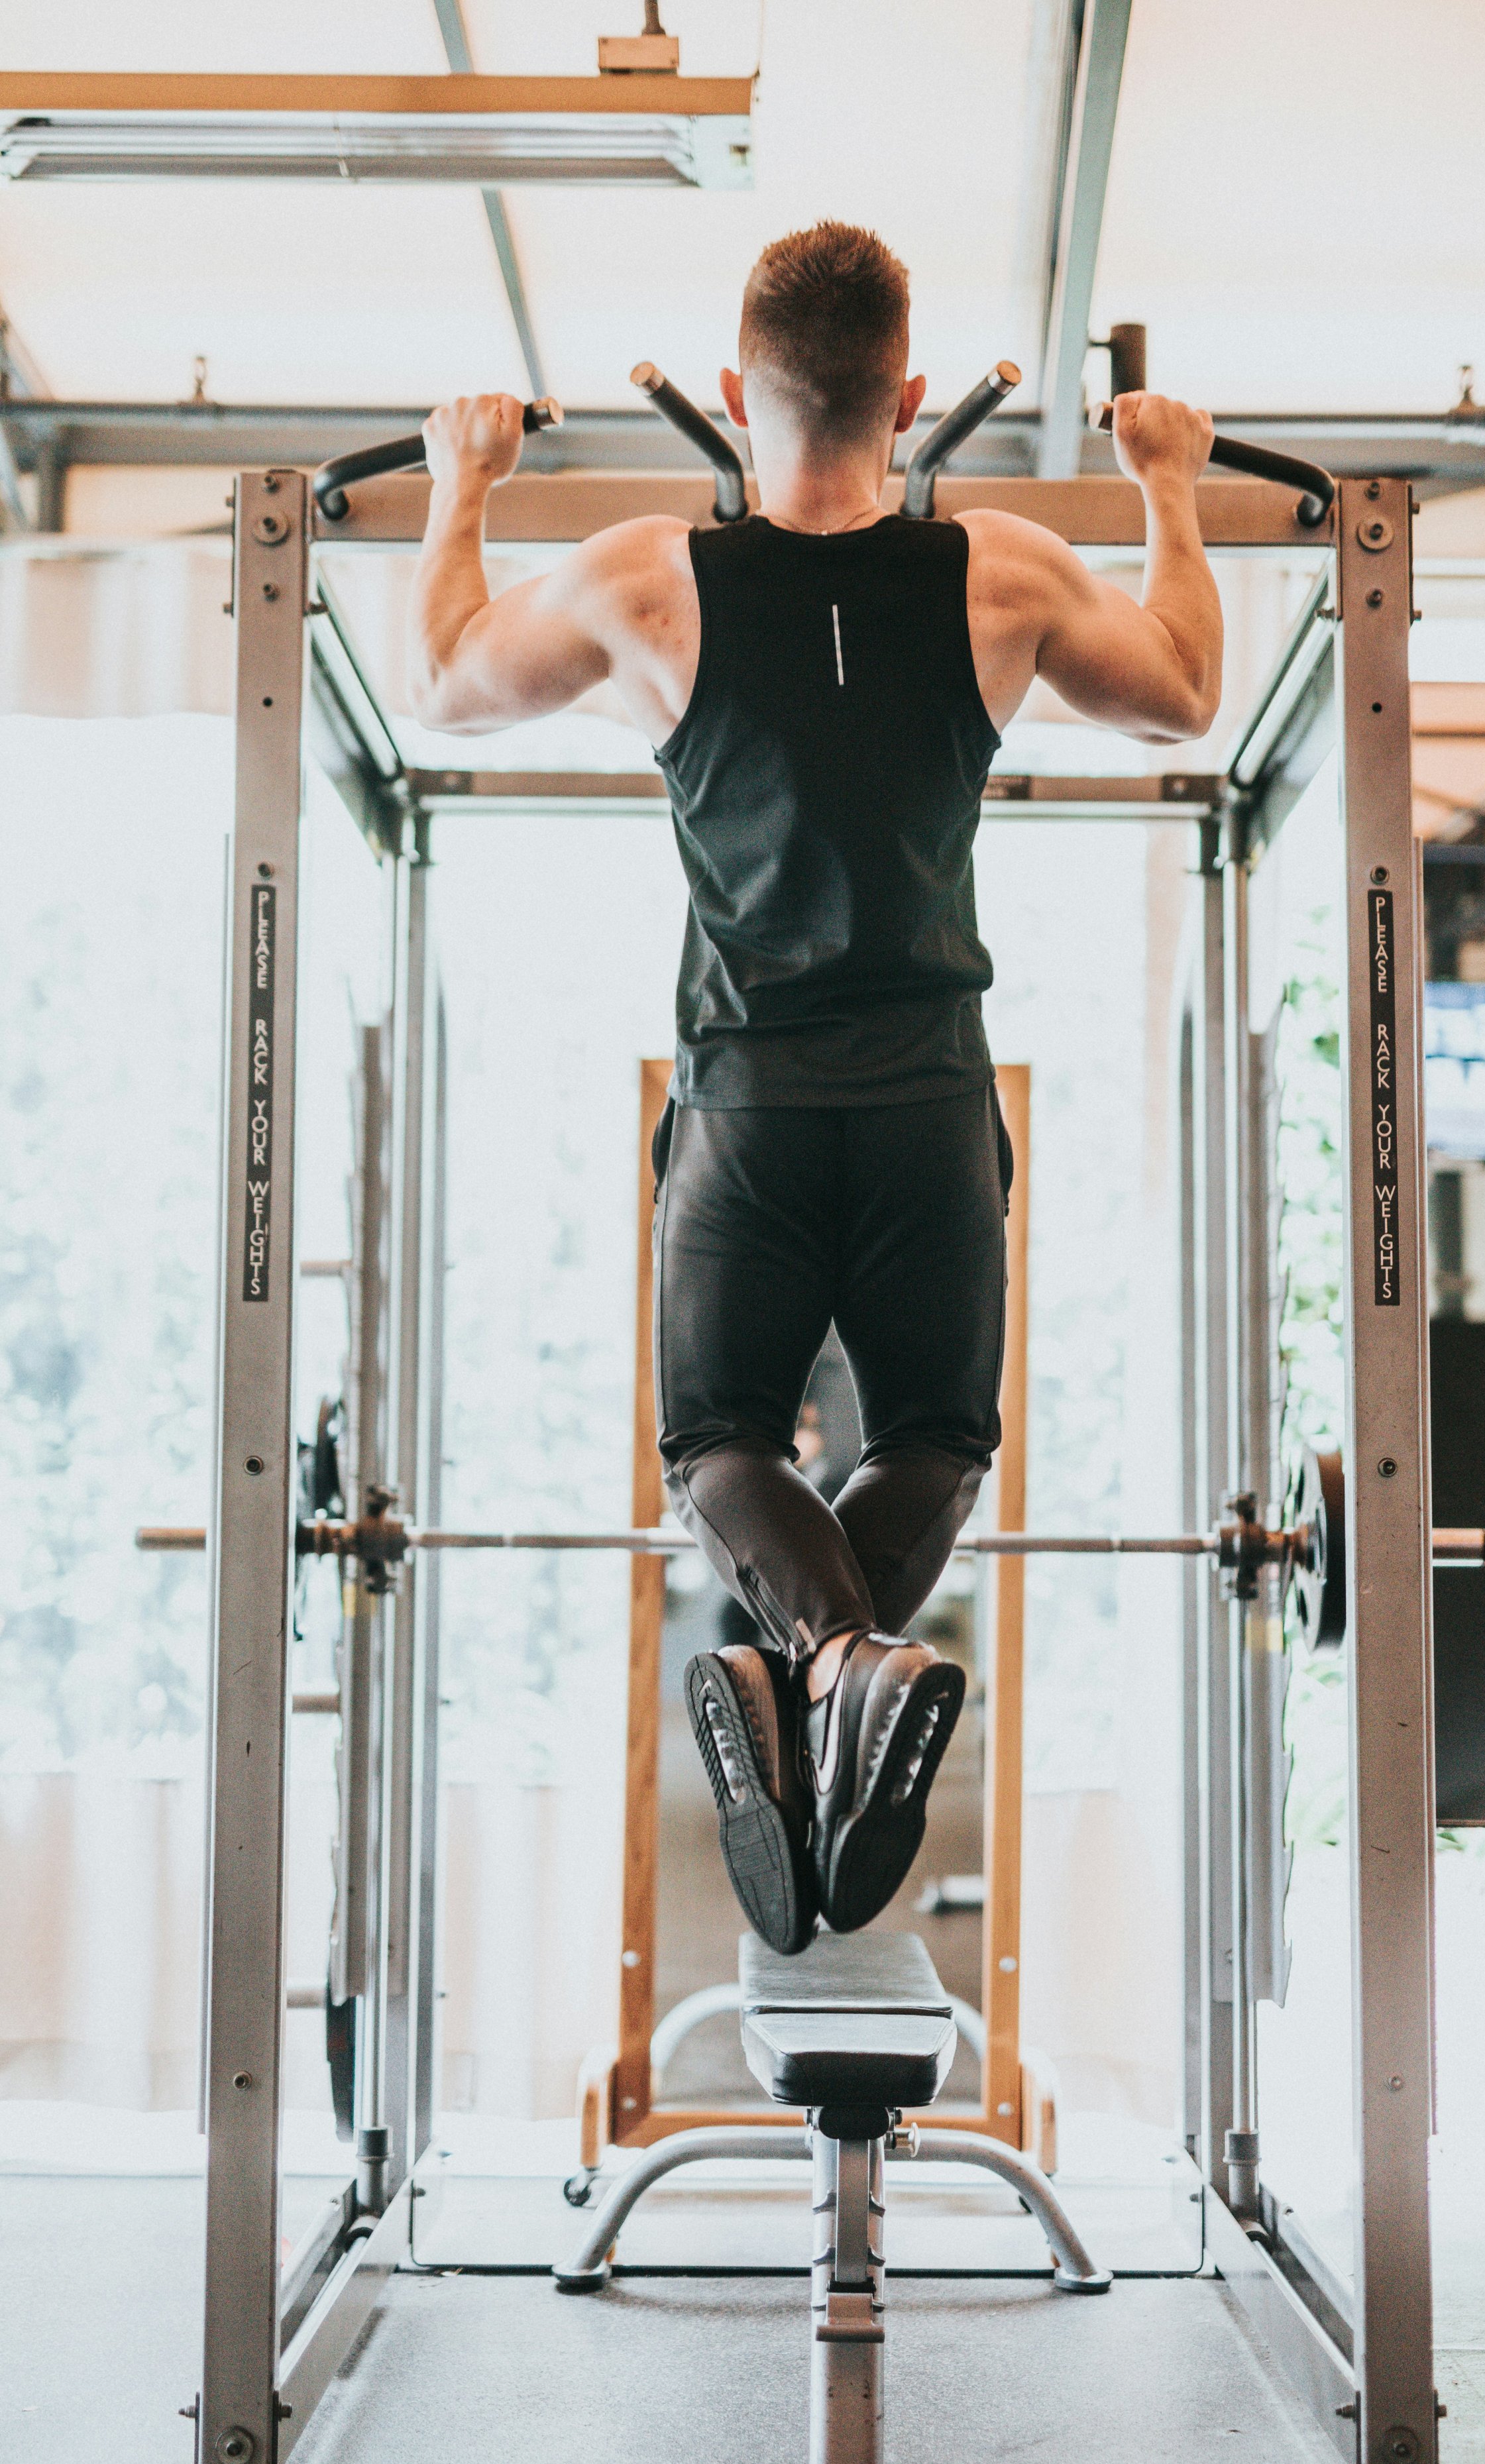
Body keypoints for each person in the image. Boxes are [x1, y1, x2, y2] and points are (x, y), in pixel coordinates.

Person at [410, 221, 1222, 1956]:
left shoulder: (648, 579)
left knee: (713, 1446)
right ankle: (835, 1701)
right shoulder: (997, 571)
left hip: (747, 1112)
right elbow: (1180, 700)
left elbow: (450, 683)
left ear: (734, 392)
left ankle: (833, 1673)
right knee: (931, 1438)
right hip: (933, 1105)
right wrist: (1167, 485)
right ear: (909, 396)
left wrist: (457, 481)